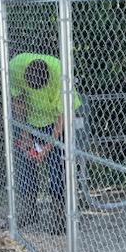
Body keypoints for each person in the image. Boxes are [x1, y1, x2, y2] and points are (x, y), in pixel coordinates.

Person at [9, 52, 81, 234]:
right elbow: (18, 100)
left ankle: (60, 217)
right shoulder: (15, 66)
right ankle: (29, 210)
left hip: (55, 120)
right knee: (25, 164)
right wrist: (25, 132)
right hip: (31, 120)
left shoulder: (61, 74)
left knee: (57, 167)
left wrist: (47, 148)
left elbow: (63, 117)